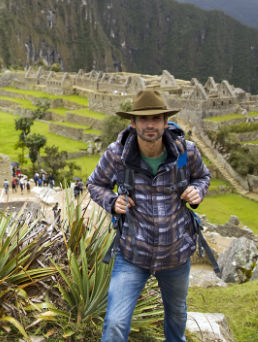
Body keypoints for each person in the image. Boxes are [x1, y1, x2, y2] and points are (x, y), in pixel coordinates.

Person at [87, 89, 210, 342]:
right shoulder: (116, 154)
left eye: (156, 119)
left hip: (175, 252)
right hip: (133, 252)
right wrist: (113, 202)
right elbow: (95, 184)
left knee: (176, 316)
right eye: (144, 119)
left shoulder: (186, 152)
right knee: (115, 323)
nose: (150, 125)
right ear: (133, 123)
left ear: (166, 122)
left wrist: (197, 191)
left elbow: (202, 176)